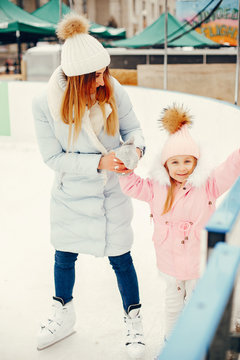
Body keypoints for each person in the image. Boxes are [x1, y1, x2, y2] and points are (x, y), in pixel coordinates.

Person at [32, 13, 146, 359]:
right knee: (64, 256)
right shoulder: (44, 105)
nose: (102, 78)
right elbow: (53, 159)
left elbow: (136, 132)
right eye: (94, 74)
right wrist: (98, 162)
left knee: (122, 259)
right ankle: (62, 311)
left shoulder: (113, 89)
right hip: (70, 196)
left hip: (110, 195)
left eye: (104, 70)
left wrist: (135, 151)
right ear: (75, 76)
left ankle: (134, 317)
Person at [119, 104, 240, 342]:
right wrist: (125, 167)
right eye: (175, 162)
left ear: (196, 162)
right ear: (165, 165)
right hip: (170, 264)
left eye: (188, 161)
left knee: (197, 307)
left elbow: (229, 168)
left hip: (198, 263)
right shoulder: (156, 187)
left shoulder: (208, 185)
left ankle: (195, 343)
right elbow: (132, 186)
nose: (182, 168)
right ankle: (170, 344)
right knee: (173, 307)